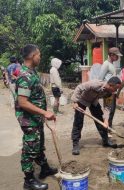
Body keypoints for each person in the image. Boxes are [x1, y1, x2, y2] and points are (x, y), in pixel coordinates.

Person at [15, 44, 57, 190]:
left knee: (38, 145)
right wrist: (45, 112)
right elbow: (22, 102)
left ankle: (44, 168)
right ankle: (29, 181)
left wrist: (42, 114)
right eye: (39, 54)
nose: (40, 57)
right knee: (30, 148)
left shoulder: (32, 73)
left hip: (35, 118)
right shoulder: (24, 76)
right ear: (32, 56)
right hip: (29, 120)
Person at [71, 76, 122, 155]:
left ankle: (106, 140)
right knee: (78, 121)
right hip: (82, 100)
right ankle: (75, 144)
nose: (116, 90)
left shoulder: (110, 93)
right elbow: (79, 88)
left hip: (93, 101)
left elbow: (107, 107)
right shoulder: (96, 84)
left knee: (100, 119)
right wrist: (75, 101)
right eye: (116, 88)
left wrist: (106, 121)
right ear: (111, 85)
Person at [99, 47, 123, 130]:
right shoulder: (106, 64)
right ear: (112, 55)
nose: (118, 58)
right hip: (107, 92)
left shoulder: (111, 64)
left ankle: (109, 128)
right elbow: (100, 79)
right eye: (117, 56)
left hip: (112, 92)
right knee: (108, 111)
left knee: (112, 111)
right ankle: (106, 129)